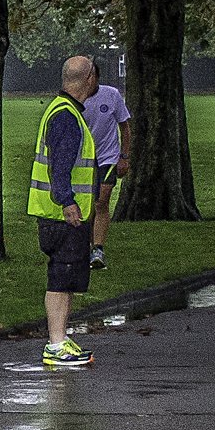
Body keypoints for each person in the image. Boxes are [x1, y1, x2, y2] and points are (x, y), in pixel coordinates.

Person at [27, 55, 98, 367]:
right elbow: (60, 166)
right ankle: (55, 344)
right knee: (61, 275)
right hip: (62, 214)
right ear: (89, 79)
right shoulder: (66, 116)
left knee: (66, 277)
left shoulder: (62, 110)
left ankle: (60, 338)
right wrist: (67, 201)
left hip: (58, 212)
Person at [82, 60, 131, 271]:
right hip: (84, 160)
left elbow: (125, 127)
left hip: (107, 157)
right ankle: (86, 246)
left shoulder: (111, 95)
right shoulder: (75, 99)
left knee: (101, 202)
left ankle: (98, 249)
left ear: (96, 77)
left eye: (90, 76)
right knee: (87, 205)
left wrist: (124, 157)